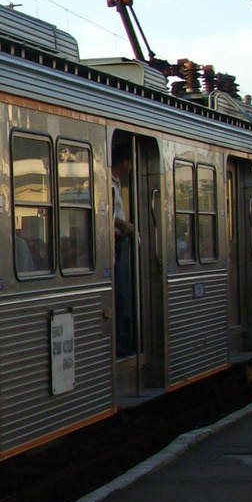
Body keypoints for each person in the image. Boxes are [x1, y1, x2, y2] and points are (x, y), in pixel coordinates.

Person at [110, 139, 136, 359]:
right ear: (125, 161)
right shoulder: (108, 183)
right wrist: (124, 225)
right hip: (113, 244)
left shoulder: (115, 183)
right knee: (118, 294)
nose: (131, 167)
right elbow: (105, 213)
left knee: (122, 292)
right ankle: (116, 343)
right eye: (130, 162)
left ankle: (121, 339)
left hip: (120, 244)